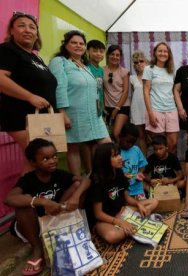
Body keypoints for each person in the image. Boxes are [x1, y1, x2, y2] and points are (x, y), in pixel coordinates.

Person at [4, 139, 90, 275]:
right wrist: (42, 202)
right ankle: (37, 249)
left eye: (54, 156)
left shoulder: (59, 174)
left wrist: (75, 196)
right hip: (33, 227)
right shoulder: (28, 179)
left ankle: (70, 229)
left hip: (53, 221)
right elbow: (9, 198)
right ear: (33, 162)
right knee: (23, 202)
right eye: (46, 158)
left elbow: (86, 180)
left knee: (77, 186)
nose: (52, 161)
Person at [0, 12, 57, 174]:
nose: (28, 30)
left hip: (42, 119)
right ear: (11, 31)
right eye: (21, 25)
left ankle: (30, 197)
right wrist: (30, 97)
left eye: (32, 27)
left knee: (35, 163)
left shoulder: (34, 58)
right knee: (39, 162)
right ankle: (27, 198)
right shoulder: (7, 50)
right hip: (22, 118)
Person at [49, 30, 110, 176]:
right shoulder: (59, 62)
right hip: (73, 113)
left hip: (94, 114)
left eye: (81, 43)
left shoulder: (85, 65)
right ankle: (77, 182)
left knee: (108, 146)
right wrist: (62, 113)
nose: (78, 46)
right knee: (74, 148)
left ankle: (98, 176)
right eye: (74, 43)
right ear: (65, 45)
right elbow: (59, 87)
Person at [90, 143, 158, 244]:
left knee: (154, 201)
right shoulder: (97, 181)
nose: (120, 158)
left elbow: (126, 197)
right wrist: (119, 222)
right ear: (104, 160)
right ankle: (132, 226)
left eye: (119, 154)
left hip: (122, 211)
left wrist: (138, 204)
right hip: (105, 219)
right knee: (112, 236)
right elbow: (98, 214)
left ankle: (130, 226)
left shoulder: (119, 172)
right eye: (115, 156)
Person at [143, 42, 179, 154]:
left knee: (173, 144)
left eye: (165, 51)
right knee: (159, 146)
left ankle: (171, 169)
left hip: (171, 110)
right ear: (155, 53)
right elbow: (145, 91)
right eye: (160, 51)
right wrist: (150, 114)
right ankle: (160, 169)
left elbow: (175, 90)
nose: (163, 53)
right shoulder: (149, 69)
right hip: (155, 110)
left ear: (169, 54)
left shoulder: (172, 70)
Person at [82, 39, 106, 175]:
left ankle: (95, 170)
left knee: (96, 142)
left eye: (101, 51)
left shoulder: (100, 70)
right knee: (88, 141)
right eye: (95, 50)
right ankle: (89, 171)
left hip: (98, 109)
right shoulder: (85, 67)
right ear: (88, 51)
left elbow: (100, 90)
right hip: (87, 109)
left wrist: (102, 107)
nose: (98, 54)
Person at [103, 45, 130, 142]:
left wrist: (117, 108)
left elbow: (126, 91)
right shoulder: (102, 70)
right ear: (108, 55)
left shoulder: (124, 71)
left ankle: (121, 155)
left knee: (116, 133)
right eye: (112, 54)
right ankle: (113, 155)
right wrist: (102, 107)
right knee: (107, 135)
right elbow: (101, 90)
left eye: (117, 55)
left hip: (122, 106)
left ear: (120, 57)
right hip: (106, 107)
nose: (115, 57)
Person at [119, 124, 152, 202]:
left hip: (137, 188)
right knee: (126, 208)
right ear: (120, 136)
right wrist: (122, 176)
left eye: (133, 142)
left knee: (147, 205)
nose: (130, 145)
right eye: (128, 141)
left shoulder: (136, 149)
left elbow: (142, 165)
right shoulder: (116, 151)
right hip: (122, 189)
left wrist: (139, 173)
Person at [130, 50, 149, 156]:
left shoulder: (152, 77)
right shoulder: (132, 79)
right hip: (137, 110)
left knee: (154, 135)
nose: (139, 64)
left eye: (141, 61)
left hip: (150, 109)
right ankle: (144, 162)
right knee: (141, 137)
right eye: (136, 62)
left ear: (146, 62)